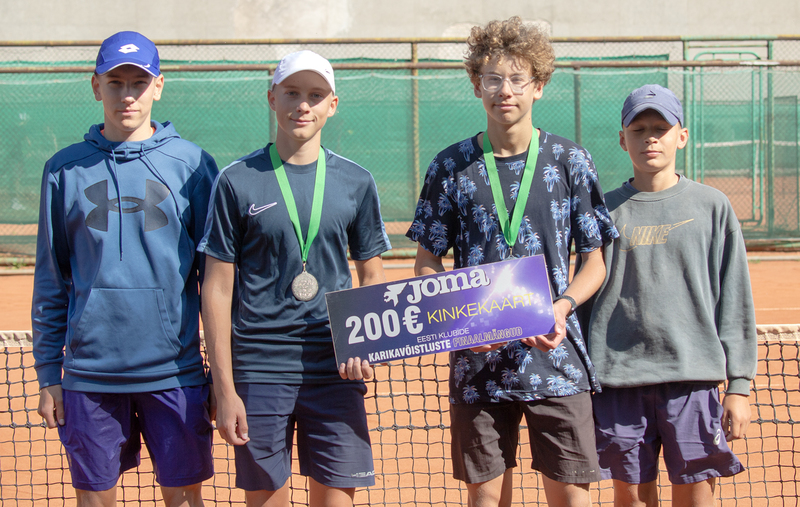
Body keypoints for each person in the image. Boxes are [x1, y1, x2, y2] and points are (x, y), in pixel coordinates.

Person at [406, 16, 619, 507]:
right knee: (485, 500)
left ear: (538, 86)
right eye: (492, 79)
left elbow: (595, 263)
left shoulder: (570, 160)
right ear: (476, 84)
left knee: (573, 499)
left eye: (518, 79)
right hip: (478, 366)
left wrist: (562, 307)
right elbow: (426, 262)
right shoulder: (449, 166)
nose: (505, 90)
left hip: (557, 360)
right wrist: (465, 323)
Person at [32, 31, 218, 507]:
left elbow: (216, 283)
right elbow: (51, 280)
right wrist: (49, 373)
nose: (128, 95)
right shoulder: (64, 170)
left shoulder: (194, 165)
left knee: (185, 499)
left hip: (175, 373)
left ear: (159, 86)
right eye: (115, 82)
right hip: (89, 378)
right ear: (96, 86)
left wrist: (222, 375)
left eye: (139, 82)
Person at [199, 49, 391, 507]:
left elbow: (371, 274)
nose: (302, 105)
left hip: (335, 368)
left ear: (332, 105)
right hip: (259, 368)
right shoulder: (236, 180)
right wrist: (224, 387)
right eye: (291, 93)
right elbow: (217, 288)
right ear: (272, 98)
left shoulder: (356, 181)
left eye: (315, 95)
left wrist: (363, 343)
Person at [584, 84, 758, 506]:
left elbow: (735, 298)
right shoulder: (601, 210)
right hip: (619, 380)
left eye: (660, 128)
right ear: (622, 139)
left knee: (696, 497)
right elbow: (585, 297)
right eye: (639, 129)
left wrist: (739, 385)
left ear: (681, 136)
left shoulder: (712, 206)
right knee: (632, 499)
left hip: (692, 379)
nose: (650, 138)